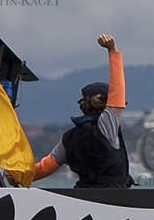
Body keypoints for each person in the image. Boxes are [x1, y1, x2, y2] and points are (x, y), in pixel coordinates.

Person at [29, 34, 133, 187]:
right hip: (112, 200)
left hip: (80, 197)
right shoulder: (107, 126)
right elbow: (117, 91)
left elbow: (44, 168)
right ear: (106, 104)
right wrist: (112, 51)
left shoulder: (68, 138)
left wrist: (20, 176)